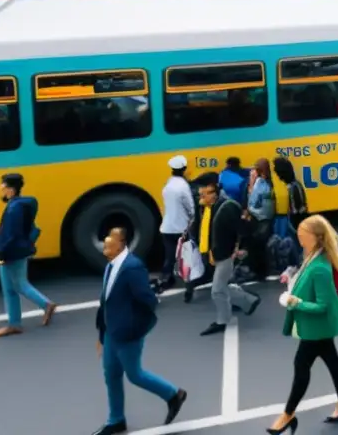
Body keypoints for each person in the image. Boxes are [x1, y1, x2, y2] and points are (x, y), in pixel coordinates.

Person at [266, 215, 338, 434]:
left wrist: (296, 302)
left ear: (316, 238)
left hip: (317, 327)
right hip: (321, 327)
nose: (299, 239)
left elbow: (322, 306)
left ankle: (288, 415)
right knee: (332, 359)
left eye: (302, 236)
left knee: (301, 366)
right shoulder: (313, 257)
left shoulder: (319, 268)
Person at [92, 227, 187, 435]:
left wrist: (137, 329)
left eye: (109, 244)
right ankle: (116, 419)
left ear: (121, 244)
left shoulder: (132, 267)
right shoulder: (111, 266)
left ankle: (173, 394)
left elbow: (149, 301)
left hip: (127, 334)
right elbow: (105, 301)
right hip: (110, 332)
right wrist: (101, 333)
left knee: (135, 375)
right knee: (111, 375)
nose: (104, 247)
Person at [189, 172, 260, 336]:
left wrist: (243, 249)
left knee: (217, 290)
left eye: (204, 194)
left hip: (225, 254)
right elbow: (200, 227)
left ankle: (223, 321)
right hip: (211, 254)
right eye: (200, 194)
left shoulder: (229, 207)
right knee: (222, 286)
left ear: (214, 192)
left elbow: (244, 230)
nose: (200, 197)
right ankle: (249, 300)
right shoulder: (205, 207)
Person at [0, 173, 57, 337]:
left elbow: (10, 235)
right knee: (11, 287)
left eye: (3, 185)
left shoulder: (14, 209)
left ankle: (43, 306)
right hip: (20, 249)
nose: (1, 188)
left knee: (17, 285)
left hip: (11, 252)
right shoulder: (22, 204)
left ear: (10, 189)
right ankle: (16, 322)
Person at [157, 155, 193, 291]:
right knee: (187, 254)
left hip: (166, 227)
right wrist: (192, 218)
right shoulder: (183, 186)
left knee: (170, 255)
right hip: (181, 228)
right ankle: (189, 279)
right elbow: (189, 206)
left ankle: (166, 277)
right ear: (183, 169)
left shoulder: (168, 184)